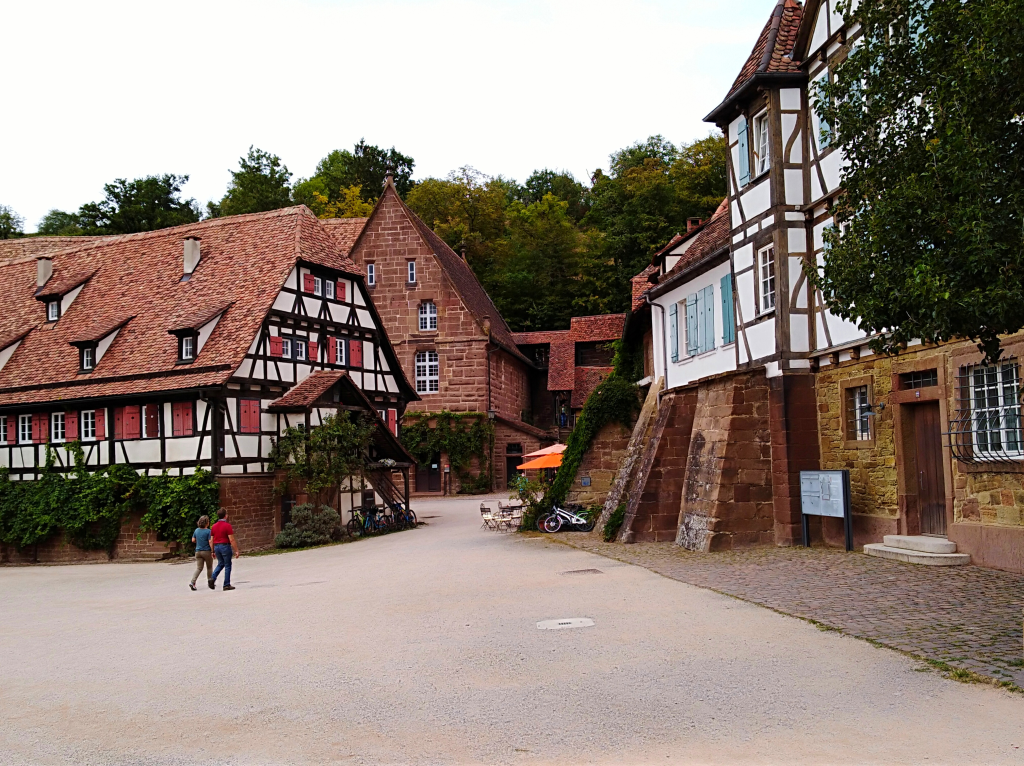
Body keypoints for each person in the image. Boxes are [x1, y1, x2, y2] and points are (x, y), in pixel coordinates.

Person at [210, 509, 240, 591]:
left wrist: (212, 551)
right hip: (225, 546)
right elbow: (231, 539)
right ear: (225, 516)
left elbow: (211, 540)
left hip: (216, 546)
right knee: (227, 565)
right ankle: (226, 584)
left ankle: (212, 577)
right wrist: (236, 550)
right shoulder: (227, 526)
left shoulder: (214, 526)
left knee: (220, 563)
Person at [189, 515, 213, 591]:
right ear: (207, 523)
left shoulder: (196, 530)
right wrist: (213, 551)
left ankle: (193, 582)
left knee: (199, 568)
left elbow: (193, 540)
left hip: (198, 551)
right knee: (209, 567)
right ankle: (210, 581)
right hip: (206, 551)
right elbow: (210, 542)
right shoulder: (208, 531)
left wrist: (199, 542)